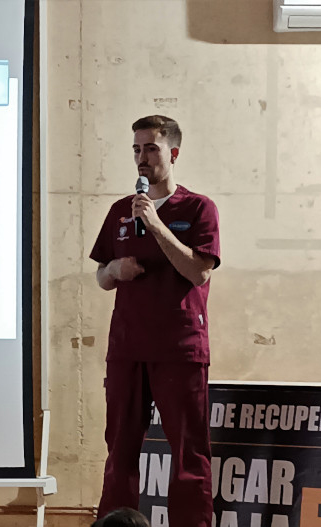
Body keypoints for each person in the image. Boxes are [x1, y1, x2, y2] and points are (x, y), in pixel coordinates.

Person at [90, 115, 220, 527]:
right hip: (128, 349)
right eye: (136, 149)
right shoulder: (118, 212)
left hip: (179, 349)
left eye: (151, 148)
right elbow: (101, 276)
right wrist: (115, 269)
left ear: (173, 153)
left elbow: (198, 271)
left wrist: (155, 223)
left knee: (188, 456)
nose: (141, 158)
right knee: (120, 452)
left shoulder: (198, 208)